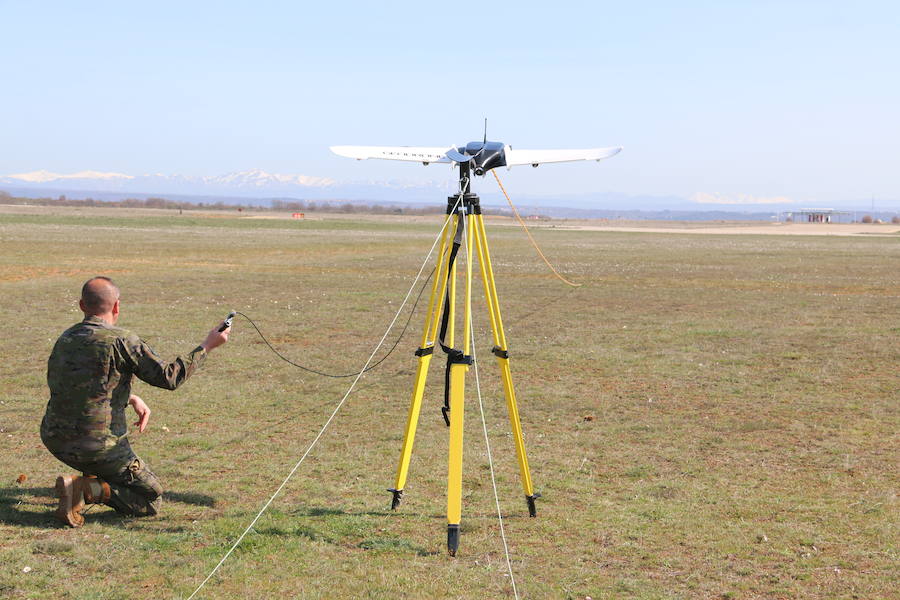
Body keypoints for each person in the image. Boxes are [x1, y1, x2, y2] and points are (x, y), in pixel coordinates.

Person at [40, 276, 230, 527]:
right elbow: (169, 377)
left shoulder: (66, 338)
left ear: (81, 305)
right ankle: (85, 490)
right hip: (98, 446)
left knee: (103, 464)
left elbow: (72, 385)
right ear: (116, 306)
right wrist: (207, 345)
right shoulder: (121, 340)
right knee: (150, 499)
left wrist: (128, 397)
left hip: (55, 438)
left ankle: (90, 480)